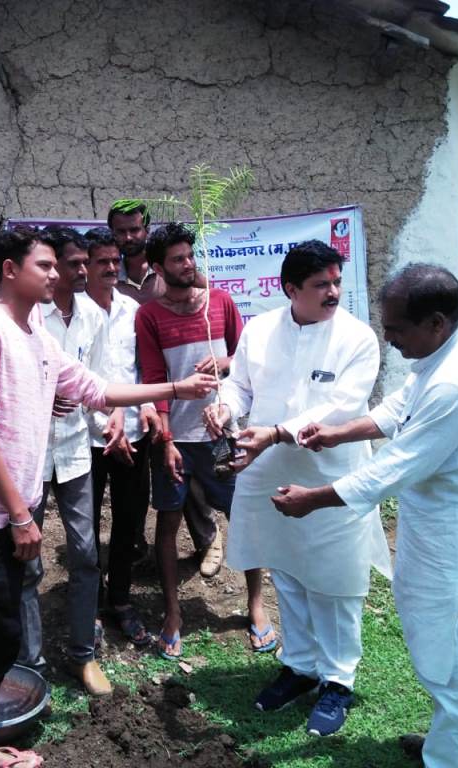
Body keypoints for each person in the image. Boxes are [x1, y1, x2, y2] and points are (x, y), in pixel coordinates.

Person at [0, 225, 216, 768]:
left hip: (11, 512)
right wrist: (20, 515)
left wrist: (176, 390)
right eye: (44, 265)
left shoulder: (35, 335)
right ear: (10, 270)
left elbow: (97, 389)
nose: (58, 274)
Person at [275, 264, 458, 768]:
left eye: (397, 329)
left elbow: (397, 466)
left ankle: (456, 760)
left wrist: (313, 498)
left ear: (436, 323)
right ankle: (446, 744)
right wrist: (342, 431)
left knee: (457, 660)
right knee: (441, 644)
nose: (390, 340)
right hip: (440, 524)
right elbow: (406, 402)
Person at [202, 240, 392, 737]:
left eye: (336, 282)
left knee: (336, 579)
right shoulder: (261, 330)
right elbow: (240, 385)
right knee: (285, 568)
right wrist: (225, 406)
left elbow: (342, 407)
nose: (333, 292)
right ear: (290, 289)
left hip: (332, 475)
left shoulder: (357, 338)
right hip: (267, 468)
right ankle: (301, 667)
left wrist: (276, 432)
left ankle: (339, 680)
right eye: (321, 284)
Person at [135, 222, 273, 661]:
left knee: (242, 516)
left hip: (221, 435)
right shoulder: (149, 316)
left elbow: (244, 361)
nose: (187, 264)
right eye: (177, 259)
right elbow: (154, 378)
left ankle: (256, 604)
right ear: (158, 268)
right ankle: (173, 613)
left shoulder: (220, 302)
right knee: (169, 523)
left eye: (189, 256)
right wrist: (166, 439)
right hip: (176, 439)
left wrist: (225, 363)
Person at [17, 226, 113, 695]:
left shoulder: (94, 316)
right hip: (30, 455)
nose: (77, 272)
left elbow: (97, 382)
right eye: (67, 264)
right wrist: (41, 395)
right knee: (25, 560)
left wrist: (109, 423)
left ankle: (82, 656)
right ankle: (29, 665)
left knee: (86, 554)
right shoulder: (27, 316)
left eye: (81, 264)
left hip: (75, 451)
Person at [108, 199, 224, 578]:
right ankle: (136, 544)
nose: (128, 237)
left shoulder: (169, 271)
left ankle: (208, 538)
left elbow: (204, 303)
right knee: (140, 475)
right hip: (130, 383)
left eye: (135, 229)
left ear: (146, 230)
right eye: (121, 231)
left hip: (172, 383)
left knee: (181, 468)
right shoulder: (109, 274)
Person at [83, 226, 161, 647]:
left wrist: (146, 404)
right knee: (87, 523)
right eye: (103, 261)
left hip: (132, 432)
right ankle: (91, 603)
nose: (112, 267)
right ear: (85, 266)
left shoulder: (132, 310)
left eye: (116, 260)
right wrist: (104, 423)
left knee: (130, 519)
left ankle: (121, 598)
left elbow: (143, 367)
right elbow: (75, 380)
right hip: (88, 438)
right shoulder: (72, 313)